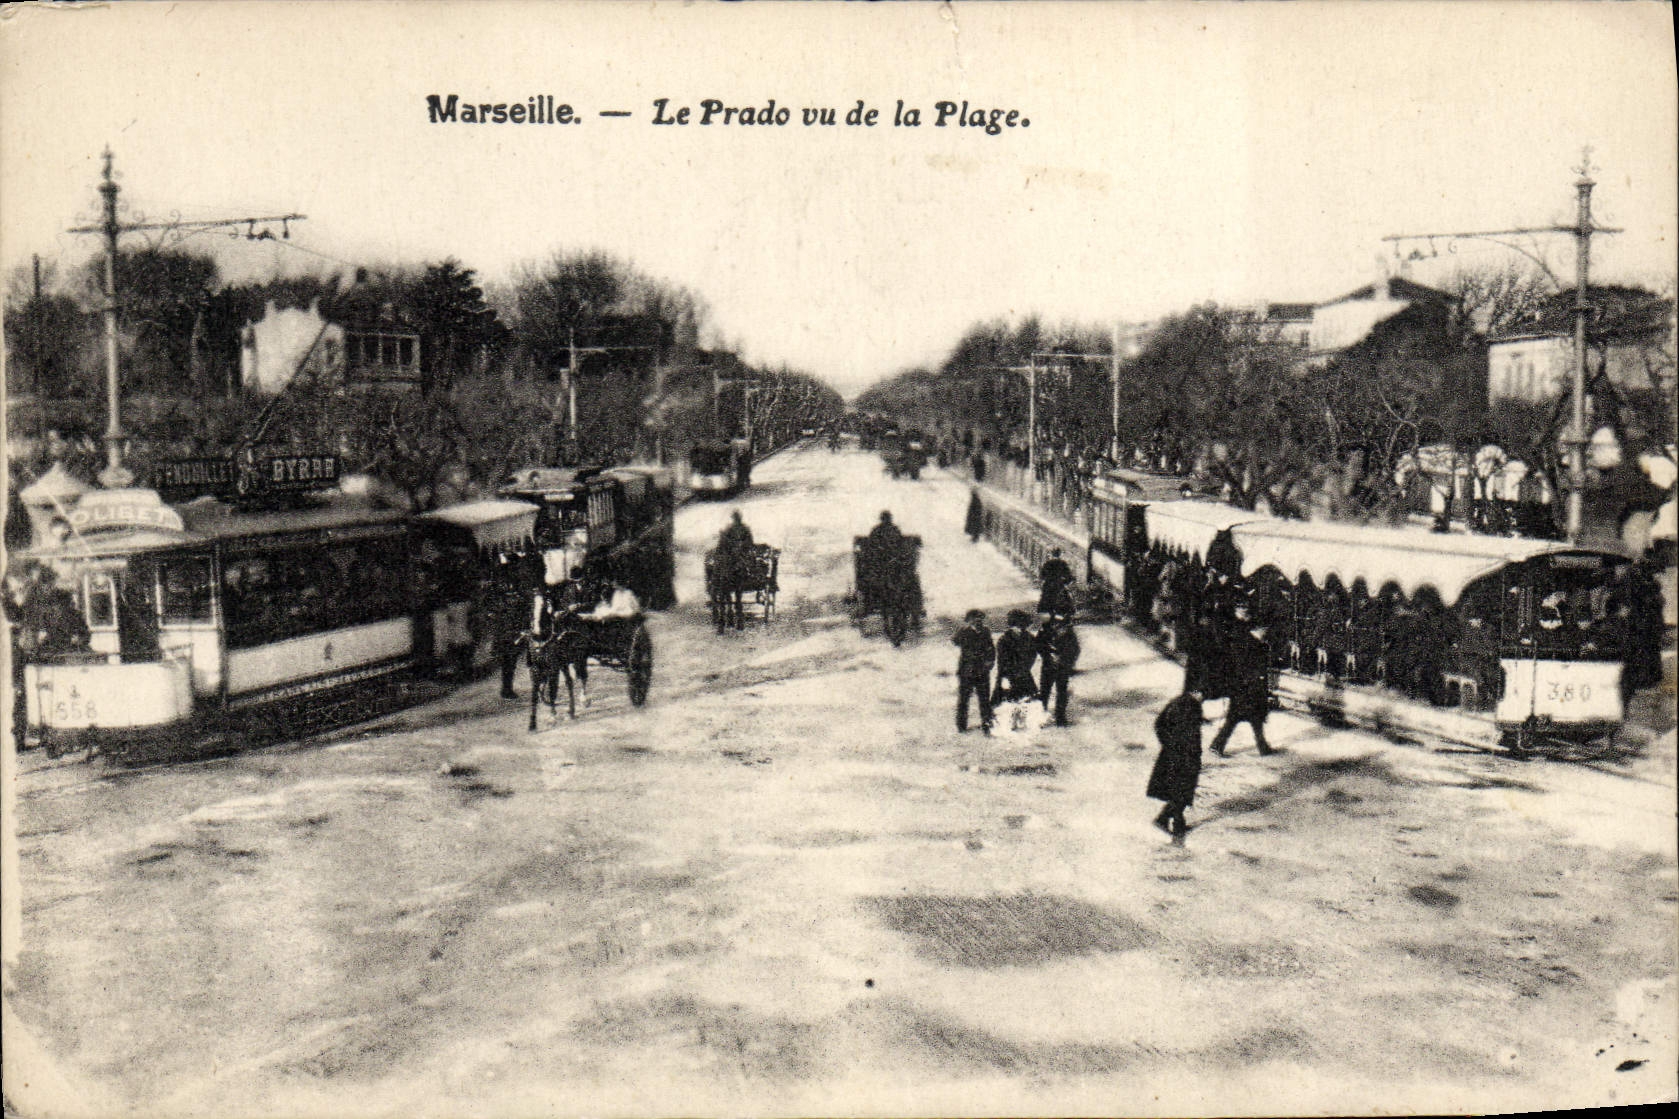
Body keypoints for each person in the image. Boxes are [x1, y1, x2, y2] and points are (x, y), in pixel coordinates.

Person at [1208, 603, 1275, 756]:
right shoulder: (1250, 643)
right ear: (1258, 630)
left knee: (1249, 718)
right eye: (1264, 631)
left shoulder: (1249, 641)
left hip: (1243, 686)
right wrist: (1258, 678)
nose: (1265, 634)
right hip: (1247, 686)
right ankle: (1218, 745)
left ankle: (1262, 747)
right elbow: (1248, 664)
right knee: (1241, 718)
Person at [1148, 688, 1204, 837]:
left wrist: (1167, 743)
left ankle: (1177, 824)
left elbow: (1159, 724)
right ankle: (1164, 819)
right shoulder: (1192, 707)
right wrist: (1194, 755)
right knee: (1183, 790)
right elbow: (1192, 736)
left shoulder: (1177, 702)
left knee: (1178, 790)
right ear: (1196, 693)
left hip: (1172, 754)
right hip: (1186, 756)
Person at [952, 608, 995, 734]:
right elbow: (955, 641)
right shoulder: (964, 632)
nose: (977, 621)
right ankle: (961, 725)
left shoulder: (986, 631)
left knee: (984, 699)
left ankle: (986, 723)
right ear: (969, 621)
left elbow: (991, 648)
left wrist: (990, 661)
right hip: (967, 671)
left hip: (982, 670)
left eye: (980, 619)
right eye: (974, 619)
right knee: (964, 699)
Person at [1036, 613, 1081, 726]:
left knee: (1061, 693)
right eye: (1055, 623)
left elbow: (1075, 649)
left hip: (1063, 667)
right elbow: (1038, 645)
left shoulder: (1069, 634)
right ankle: (1041, 717)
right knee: (1044, 692)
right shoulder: (1044, 631)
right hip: (1048, 666)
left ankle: (1060, 717)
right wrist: (1048, 656)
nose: (1057, 625)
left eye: (1060, 623)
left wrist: (1066, 660)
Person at [992, 608, 1038, 705]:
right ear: (1012, 625)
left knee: (1029, 704)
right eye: (1017, 626)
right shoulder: (1004, 640)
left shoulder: (1030, 638)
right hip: (1008, 675)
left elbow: (1033, 655)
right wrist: (1006, 677)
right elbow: (1002, 661)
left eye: (1023, 626)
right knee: (1005, 705)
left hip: (1025, 674)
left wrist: (1025, 667)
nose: (1020, 629)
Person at [1038, 547, 1076, 616]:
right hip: (1059, 585)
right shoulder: (1063, 563)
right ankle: (1067, 615)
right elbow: (1069, 576)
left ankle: (1044, 613)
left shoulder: (1047, 563)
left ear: (1052, 554)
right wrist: (1066, 582)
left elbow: (1042, 576)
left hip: (1048, 586)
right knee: (1068, 600)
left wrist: (1045, 580)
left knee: (1044, 600)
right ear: (1059, 554)